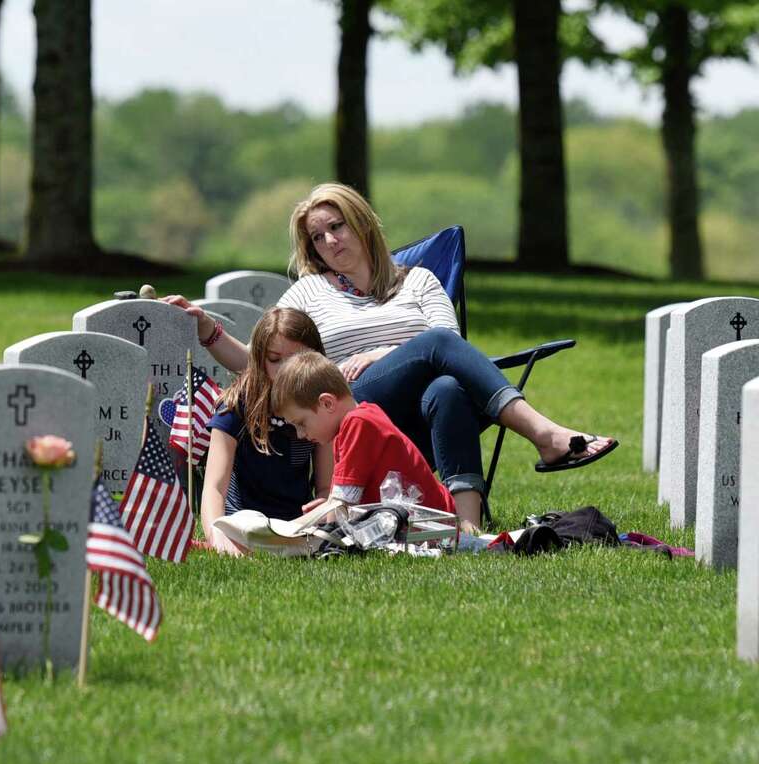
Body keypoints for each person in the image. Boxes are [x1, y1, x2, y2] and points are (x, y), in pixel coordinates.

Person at [162, 181, 616, 529]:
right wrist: (209, 331)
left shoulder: (420, 282)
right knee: (435, 352)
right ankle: (545, 435)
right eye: (318, 238)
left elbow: (451, 342)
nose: (330, 242)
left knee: (446, 388)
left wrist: (386, 350)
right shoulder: (309, 291)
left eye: (336, 227)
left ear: (360, 221)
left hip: (421, 410)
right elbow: (265, 364)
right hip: (351, 404)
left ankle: (466, 527)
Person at [201, 308, 333, 556]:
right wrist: (218, 535)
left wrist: (323, 509)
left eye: (296, 359)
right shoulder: (236, 405)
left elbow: (326, 486)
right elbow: (214, 488)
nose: (285, 369)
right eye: (275, 359)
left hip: (296, 524)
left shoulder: (322, 406)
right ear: (260, 359)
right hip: (240, 522)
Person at [270, 349, 456, 517]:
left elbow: (340, 509)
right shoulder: (354, 423)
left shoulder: (357, 423)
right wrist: (326, 508)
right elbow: (342, 505)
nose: (301, 434)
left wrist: (293, 529)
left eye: (301, 423)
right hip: (422, 519)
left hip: (432, 524)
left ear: (327, 403)